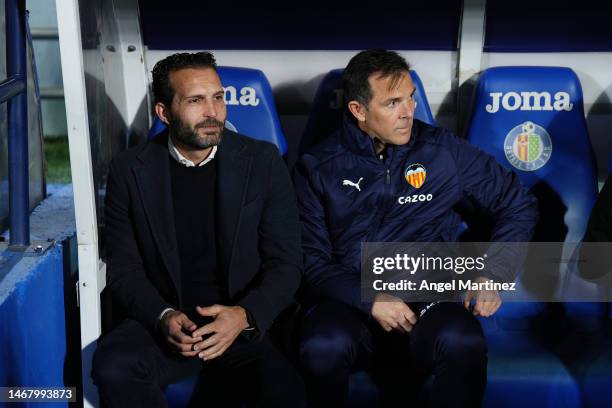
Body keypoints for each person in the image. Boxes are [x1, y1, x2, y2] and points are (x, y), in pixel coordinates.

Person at [293, 49, 539, 407]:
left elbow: (517, 203)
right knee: (322, 345)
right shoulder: (318, 166)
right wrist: (370, 299)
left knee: (462, 340)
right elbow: (310, 261)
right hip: (350, 305)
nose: (408, 111)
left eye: (409, 98)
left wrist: (493, 273)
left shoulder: (442, 151)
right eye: (392, 103)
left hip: (427, 298)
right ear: (359, 111)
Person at [92, 52, 306, 408]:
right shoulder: (129, 170)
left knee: (287, 394)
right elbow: (124, 268)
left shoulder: (263, 161)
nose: (213, 112)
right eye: (196, 100)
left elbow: (286, 263)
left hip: (241, 327)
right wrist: (163, 317)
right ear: (164, 112)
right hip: (165, 325)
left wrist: (243, 316)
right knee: (114, 366)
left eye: (218, 97)